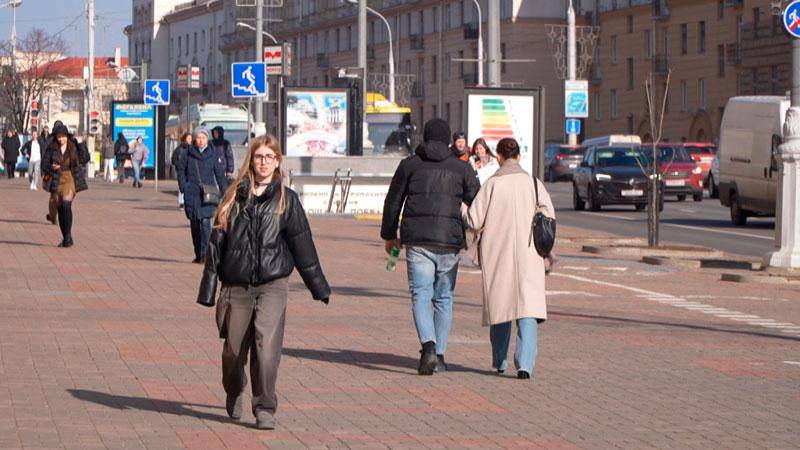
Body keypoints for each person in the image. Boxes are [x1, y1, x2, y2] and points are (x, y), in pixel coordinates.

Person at [196, 134, 330, 430]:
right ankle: (234, 388)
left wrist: (318, 286)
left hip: (273, 285)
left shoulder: (286, 199)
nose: (264, 162)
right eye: (259, 157)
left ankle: (265, 407)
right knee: (233, 351)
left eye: (270, 157)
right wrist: (208, 289)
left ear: (277, 162)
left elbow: (302, 244)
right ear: (251, 160)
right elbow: (216, 243)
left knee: (265, 347)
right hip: (236, 286)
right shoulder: (234, 195)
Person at [380, 118, 480, 375]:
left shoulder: (409, 165)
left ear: (423, 138)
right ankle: (441, 355)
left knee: (421, 295)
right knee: (444, 297)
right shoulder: (462, 169)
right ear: (449, 140)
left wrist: (390, 235)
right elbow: (478, 202)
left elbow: (393, 201)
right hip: (449, 241)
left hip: (418, 240)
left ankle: (428, 347)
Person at [462, 138, 554, 380]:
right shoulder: (534, 184)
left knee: (501, 307)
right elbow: (549, 216)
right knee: (528, 308)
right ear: (519, 157)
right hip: (530, 252)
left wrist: (461, 207)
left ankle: (500, 360)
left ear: (499, 157)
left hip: (498, 253)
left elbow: (473, 220)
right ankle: (525, 365)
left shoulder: (492, 184)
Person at [178, 126, 227, 263]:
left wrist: (224, 189)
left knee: (205, 222)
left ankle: (205, 253)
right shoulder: (188, 153)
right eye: (198, 137)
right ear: (194, 139)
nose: (201, 140)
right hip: (192, 193)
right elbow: (181, 170)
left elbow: (219, 173)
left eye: (203, 137)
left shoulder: (213, 154)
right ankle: (198, 253)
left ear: (207, 139)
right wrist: (184, 186)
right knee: (194, 224)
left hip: (207, 194)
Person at [41, 124, 90, 247]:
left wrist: (81, 144)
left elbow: (85, 159)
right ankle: (66, 237)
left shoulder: (73, 146)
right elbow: (44, 164)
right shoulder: (52, 147)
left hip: (69, 178)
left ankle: (67, 236)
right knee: (60, 208)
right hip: (57, 178)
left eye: (63, 137)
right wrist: (51, 167)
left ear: (67, 136)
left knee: (66, 204)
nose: (61, 139)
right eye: (59, 137)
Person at [172, 132, 192, 208]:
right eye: (188, 138)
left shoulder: (193, 149)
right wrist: (180, 165)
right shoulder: (179, 149)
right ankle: (181, 202)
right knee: (182, 185)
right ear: (184, 139)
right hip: (182, 171)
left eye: (191, 138)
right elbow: (174, 160)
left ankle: (188, 201)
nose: (190, 140)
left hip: (190, 170)